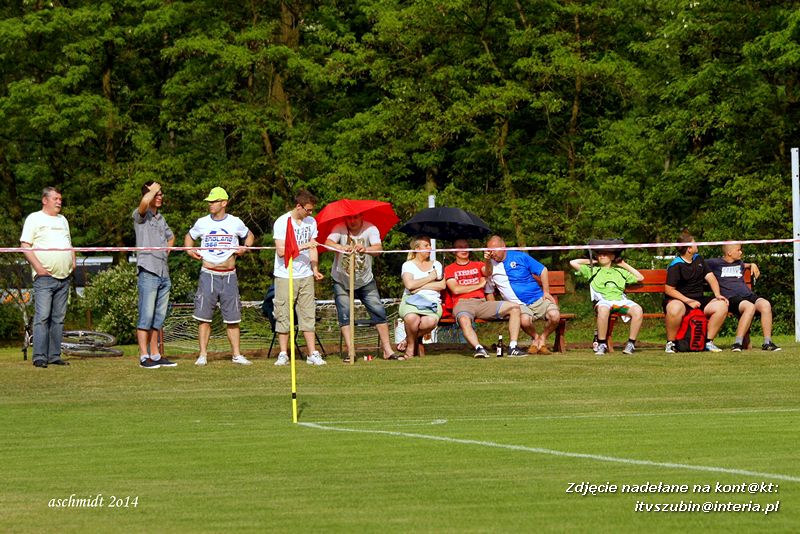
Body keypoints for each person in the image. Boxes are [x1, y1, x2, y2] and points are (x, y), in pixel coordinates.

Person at [184, 187, 255, 366]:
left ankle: (237, 355)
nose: (210, 205)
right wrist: (189, 250)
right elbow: (189, 237)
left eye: (214, 201)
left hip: (229, 275)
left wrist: (244, 248)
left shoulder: (235, 222)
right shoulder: (202, 222)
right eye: (209, 201)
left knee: (233, 318)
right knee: (204, 317)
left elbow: (250, 236)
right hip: (208, 274)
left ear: (224, 203)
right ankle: (202, 355)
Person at [325, 213, 398, 361]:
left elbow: (378, 249)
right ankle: (351, 352)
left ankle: (388, 350)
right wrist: (340, 247)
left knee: (378, 311)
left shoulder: (371, 228)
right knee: (344, 315)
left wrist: (365, 249)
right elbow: (327, 244)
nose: (352, 221)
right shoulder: (339, 227)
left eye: (355, 218)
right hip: (341, 279)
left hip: (365, 280)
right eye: (349, 218)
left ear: (361, 217)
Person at [20, 187, 76, 368]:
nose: (59, 201)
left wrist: (72, 261)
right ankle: (39, 356)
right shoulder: (34, 218)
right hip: (44, 278)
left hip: (64, 277)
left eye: (60, 199)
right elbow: (25, 245)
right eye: (56, 199)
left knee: (58, 318)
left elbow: (69, 243)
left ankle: (54, 355)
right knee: (42, 317)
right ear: (45, 200)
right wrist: (38, 268)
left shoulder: (63, 220)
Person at [444, 238, 524, 358]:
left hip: (482, 303)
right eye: (460, 247)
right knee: (464, 319)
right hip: (462, 304)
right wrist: (479, 285)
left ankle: (513, 347)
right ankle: (479, 348)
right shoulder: (449, 269)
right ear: (454, 251)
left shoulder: (478, 265)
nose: (464, 250)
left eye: (466, 247)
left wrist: (487, 260)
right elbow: (456, 289)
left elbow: (488, 272)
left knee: (514, 307)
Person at [272, 190, 326, 366]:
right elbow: (281, 251)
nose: (310, 213)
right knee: (283, 315)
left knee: (308, 314)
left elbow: (313, 247)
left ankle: (312, 353)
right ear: (298, 206)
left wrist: (315, 268)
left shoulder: (311, 222)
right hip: (285, 275)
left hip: (305, 275)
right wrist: (304, 245)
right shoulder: (282, 222)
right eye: (308, 210)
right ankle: (283, 353)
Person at [484, 235, 561, 354]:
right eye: (490, 250)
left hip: (538, 298)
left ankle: (543, 338)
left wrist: (546, 291)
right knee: (525, 321)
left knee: (555, 316)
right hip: (518, 305)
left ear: (504, 246)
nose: (492, 253)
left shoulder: (520, 256)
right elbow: (487, 279)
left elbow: (543, 270)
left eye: (495, 249)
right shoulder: (490, 266)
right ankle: (536, 338)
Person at [133, 181, 177, 369]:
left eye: (161, 194)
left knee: (159, 317)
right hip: (148, 271)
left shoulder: (161, 218)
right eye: (156, 194)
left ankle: (156, 354)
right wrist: (151, 191)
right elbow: (143, 205)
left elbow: (171, 236)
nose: (160, 197)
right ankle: (144, 357)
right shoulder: (140, 215)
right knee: (146, 315)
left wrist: (167, 250)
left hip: (163, 272)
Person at [706, 244, 780, 351]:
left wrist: (752, 264)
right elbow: (698, 262)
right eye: (738, 250)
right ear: (729, 253)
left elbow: (745, 265)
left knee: (765, 304)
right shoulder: (715, 263)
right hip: (731, 298)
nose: (741, 252)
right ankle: (737, 343)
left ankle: (767, 342)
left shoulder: (739, 263)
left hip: (748, 295)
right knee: (749, 307)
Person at [569, 249, 644, 355]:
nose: (601, 256)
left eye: (605, 254)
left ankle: (631, 344)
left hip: (620, 301)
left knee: (638, 310)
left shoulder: (620, 271)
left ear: (612, 257)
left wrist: (623, 264)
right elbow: (573, 262)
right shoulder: (592, 271)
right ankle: (602, 344)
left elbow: (640, 277)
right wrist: (592, 261)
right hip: (604, 301)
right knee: (603, 310)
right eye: (599, 254)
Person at [663, 231, 728, 353]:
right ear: (689, 249)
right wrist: (688, 300)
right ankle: (670, 343)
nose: (697, 244)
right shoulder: (676, 265)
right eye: (694, 243)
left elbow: (710, 277)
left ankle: (708, 342)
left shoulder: (698, 259)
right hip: (681, 301)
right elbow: (669, 289)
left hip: (699, 300)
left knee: (722, 305)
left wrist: (717, 294)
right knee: (674, 308)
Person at [398, 235, 446, 360]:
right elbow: (409, 285)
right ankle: (410, 347)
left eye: (430, 245)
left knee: (430, 321)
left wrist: (419, 287)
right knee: (412, 318)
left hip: (432, 302)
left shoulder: (437, 264)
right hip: (411, 301)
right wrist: (430, 278)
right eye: (426, 245)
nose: (430, 248)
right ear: (417, 248)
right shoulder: (408, 265)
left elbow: (442, 285)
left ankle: (408, 340)